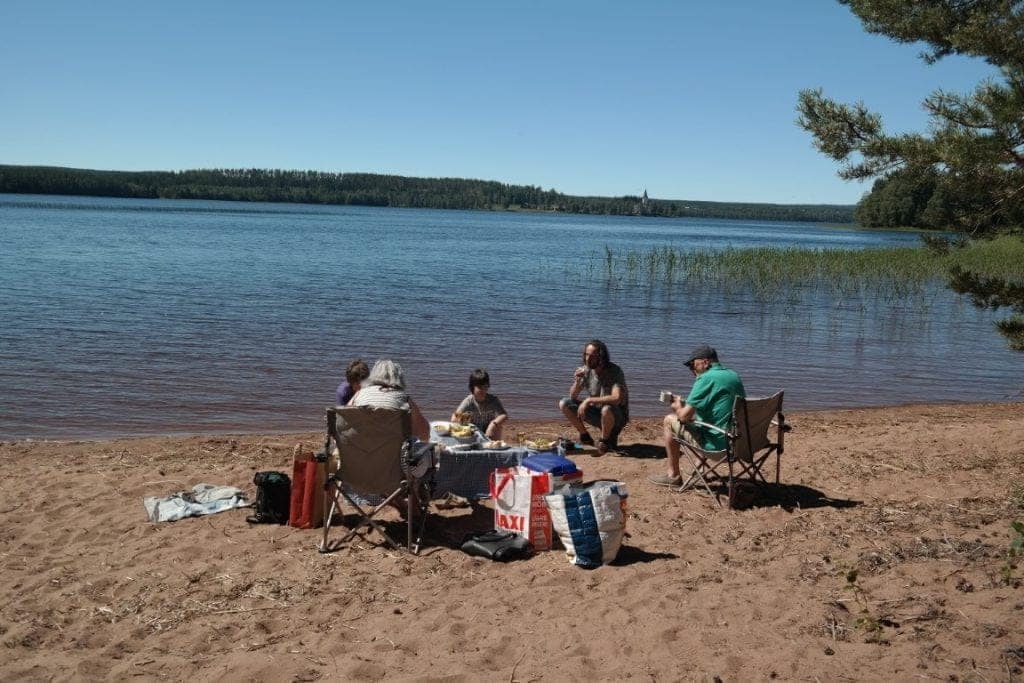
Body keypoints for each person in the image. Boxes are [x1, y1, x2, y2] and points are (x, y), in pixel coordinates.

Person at [650, 344, 746, 487]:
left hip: (719, 447)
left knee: (669, 420)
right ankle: (699, 468)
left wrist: (677, 407)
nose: (692, 370)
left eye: (692, 365)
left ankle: (673, 476)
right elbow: (719, 407)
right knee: (705, 419)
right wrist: (688, 405)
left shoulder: (705, 378)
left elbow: (683, 417)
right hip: (742, 444)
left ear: (705, 362)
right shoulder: (733, 375)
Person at [558, 339, 629, 456]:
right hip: (598, 414)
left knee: (606, 409)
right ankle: (585, 436)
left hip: (617, 417)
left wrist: (588, 400)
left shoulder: (614, 371)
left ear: (601, 357)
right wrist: (577, 382)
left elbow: (616, 398)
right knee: (564, 403)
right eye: (586, 355)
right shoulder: (586, 370)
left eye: (592, 356)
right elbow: (573, 396)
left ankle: (604, 442)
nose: (587, 359)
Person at [350, 359, 430, 441]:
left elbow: (344, 418)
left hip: (361, 446)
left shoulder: (359, 394)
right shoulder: (404, 398)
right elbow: (423, 431)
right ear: (398, 378)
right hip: (393, 448)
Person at [452, 368, 508, 439]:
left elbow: (504, 415)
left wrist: (493, 424)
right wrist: (462, 422)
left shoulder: (493, 400)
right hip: (474, 433)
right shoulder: (469, 401)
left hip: (489, 432)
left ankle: (494, 444)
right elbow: (454, 417)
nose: (483, 390)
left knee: (498, 425)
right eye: (479, 387)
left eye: (485, 386)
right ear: (472, 387)